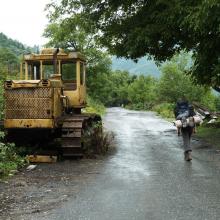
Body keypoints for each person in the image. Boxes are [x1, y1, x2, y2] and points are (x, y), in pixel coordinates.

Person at [174, 97, 196, 161]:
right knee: (188, 138)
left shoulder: (176, 108)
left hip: (183, 124)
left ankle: (188, 152)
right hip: (190, 124)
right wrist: (194, 128)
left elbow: (176, 119)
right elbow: (194, 116)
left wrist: (178, 130)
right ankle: (187, 153)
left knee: (186, 138)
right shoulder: (190, 107)